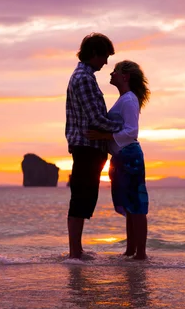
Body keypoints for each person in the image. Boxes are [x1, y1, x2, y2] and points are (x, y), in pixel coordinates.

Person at [65, 32, 123, 259]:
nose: (107, 62)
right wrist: (123, 125)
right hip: (87, 146)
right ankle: (75, 252)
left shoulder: (83, 76)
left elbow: (95, 117)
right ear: (95, 53)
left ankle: (76, 251)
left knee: (83, 197)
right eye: (105, 56)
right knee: (81, 198)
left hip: (88, 146)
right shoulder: (84, 79)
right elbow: (95, 118)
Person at [86, 60, 150, 260]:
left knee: (137, 206)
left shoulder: (129, 99)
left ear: (126, 76)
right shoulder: (124, 99)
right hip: (122, 156)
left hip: (129, 154)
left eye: (116, 71)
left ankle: (140, 253)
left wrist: (102, 136)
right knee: (130, 205)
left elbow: (132, 131)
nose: (111, 74)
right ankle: (131, 250)